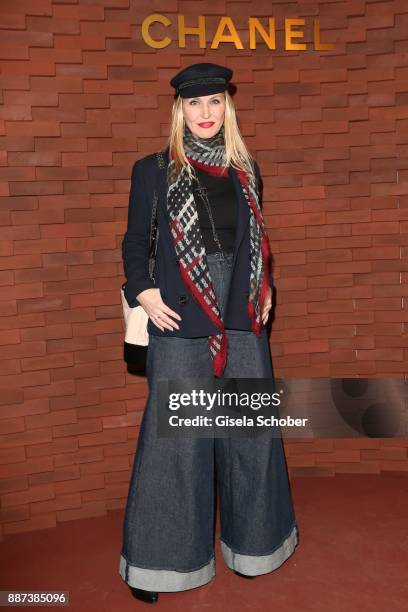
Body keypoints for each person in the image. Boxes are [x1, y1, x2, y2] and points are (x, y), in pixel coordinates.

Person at [119, 62, 299, 604]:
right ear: (179, 111)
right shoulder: (153, 169)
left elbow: (257, 241)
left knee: (251, 434)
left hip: (242, 313)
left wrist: (265, 286)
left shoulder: (247, 168)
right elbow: (133, 244)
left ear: (228, 107)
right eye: (194, 104)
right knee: (176, 441)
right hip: (178, 311)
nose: (205, 113)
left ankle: (254, 547)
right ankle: (160, 567)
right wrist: (143, 292)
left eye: (214, 102)